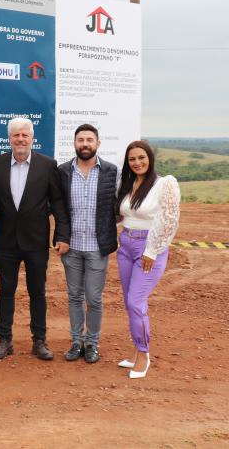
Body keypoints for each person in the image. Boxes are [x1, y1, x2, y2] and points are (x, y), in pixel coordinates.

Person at [0, 117, 70, 361]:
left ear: (32, 138)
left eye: (25, 135)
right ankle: (4, 340)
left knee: (37, 292)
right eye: (16, 135)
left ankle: (39, 341)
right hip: (5, 241)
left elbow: (57, 204)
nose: (20, 139)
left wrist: (61, 234)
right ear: (9, 139)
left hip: (36, 241)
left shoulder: (47, 165)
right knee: (6, 291)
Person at [115, 140, 180, 379]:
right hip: (126, 246)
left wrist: (152, 251)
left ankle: (143, 354)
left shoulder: (164, 184)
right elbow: (121, 215)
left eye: (141, 157)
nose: (137, 162)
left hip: (148, 248)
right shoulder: (128, 183)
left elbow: (169, 220)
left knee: (135, 301)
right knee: (130, 303)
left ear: (150, 158)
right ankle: (135, 351)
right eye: (132, 159)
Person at [58, 124, 118, 364]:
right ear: (74, 143)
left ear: (98, 143)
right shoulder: (63, 171)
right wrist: (60, 237)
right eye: (81, 140)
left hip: (97, 247)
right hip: (71, 247)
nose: (85, 144)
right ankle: (76, 342)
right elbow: (59, 208)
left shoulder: (112, 171)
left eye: (89, 140)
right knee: (74, 296)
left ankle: (92, 344)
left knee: (93, 298)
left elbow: (120, 205)